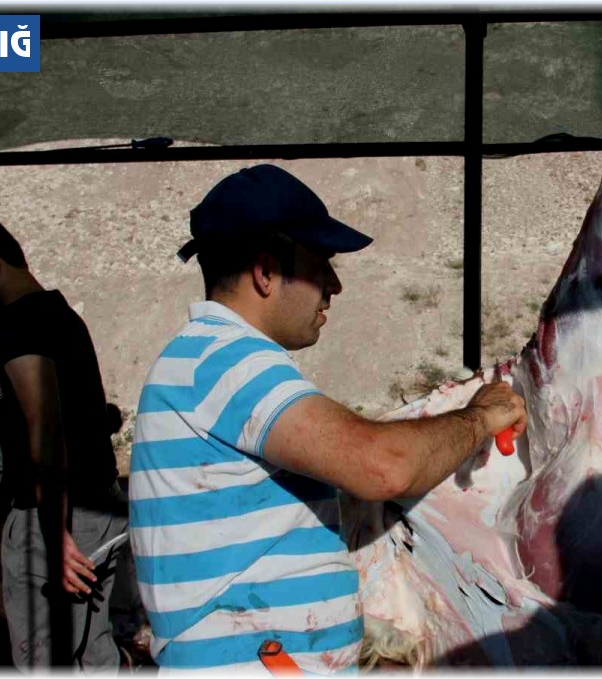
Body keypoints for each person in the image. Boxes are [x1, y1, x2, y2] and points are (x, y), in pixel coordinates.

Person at [129, 164, 527, 674]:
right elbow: (383, 467)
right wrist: (479, 418)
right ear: (266, 272)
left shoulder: (209, 360)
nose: (334, 286)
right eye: (321, 263)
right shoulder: (225, 359)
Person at [0, 217, 128, 671]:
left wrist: (54, 537)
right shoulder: (59, 314)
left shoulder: (17, 325)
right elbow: (89, 413)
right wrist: (4, 421)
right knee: (91, 648)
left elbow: (48, 433)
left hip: (57, 520)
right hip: (100, 510)